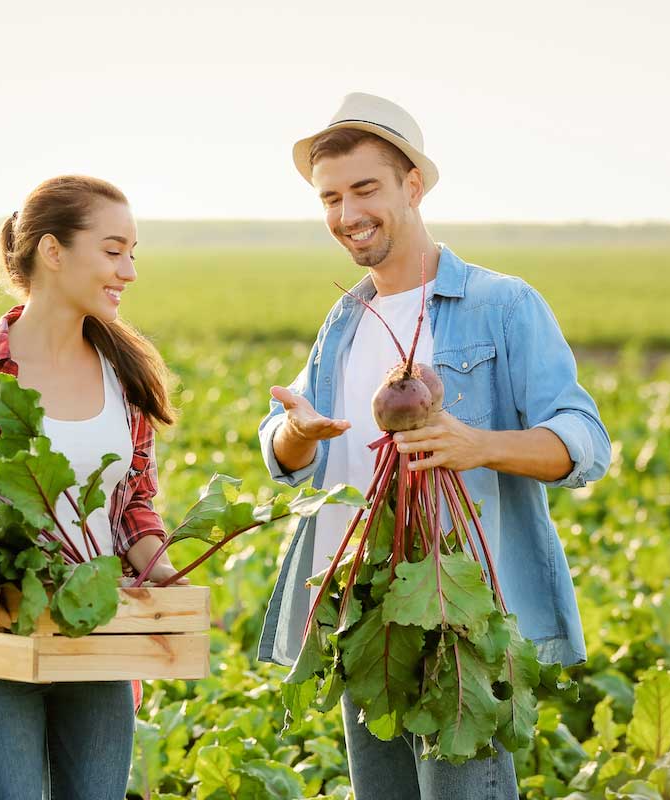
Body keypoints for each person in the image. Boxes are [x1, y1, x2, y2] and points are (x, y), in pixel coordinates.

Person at [257, 93, 611, 799]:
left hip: (457, 613)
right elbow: (284, 450)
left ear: (412, 185)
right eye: (331, 197)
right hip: (363, 610)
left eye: (365, 189)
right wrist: (294, 432)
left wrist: (478, 444)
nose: (347, 214)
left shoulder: (501, 304)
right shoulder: (345, 320)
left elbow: (585, 444)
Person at [0, 175, 184, 800]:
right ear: (53, 251)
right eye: (113, 250)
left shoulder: (122, 378)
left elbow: (131, 505)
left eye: (134, 252)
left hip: (96, 629)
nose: (128, 270)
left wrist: (166, 580)